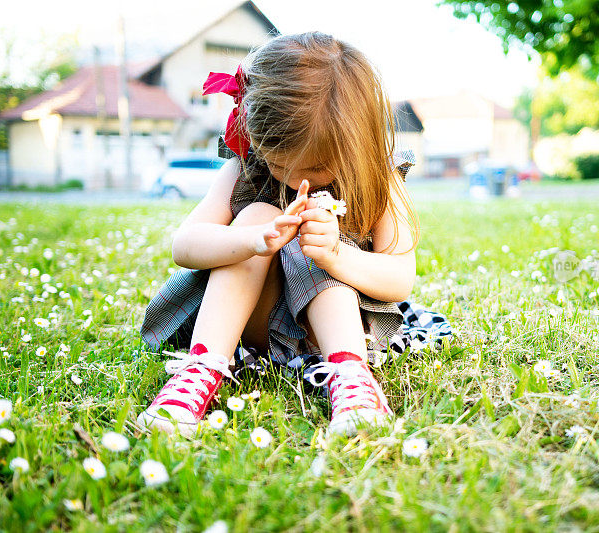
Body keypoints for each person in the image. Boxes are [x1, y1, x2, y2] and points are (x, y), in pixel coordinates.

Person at [137, 32, 435, 439]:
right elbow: (184, 246)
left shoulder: (380, 179)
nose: (297, 181)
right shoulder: (244, 169)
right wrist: (253, 240)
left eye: (316, 167)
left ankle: (352, 378)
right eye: (280, 164)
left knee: (318, 237)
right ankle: (201, 369)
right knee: (257, 213)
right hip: (256, 325)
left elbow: (400, 278)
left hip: (332, 331)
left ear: (356, 144)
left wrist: (334, 255)